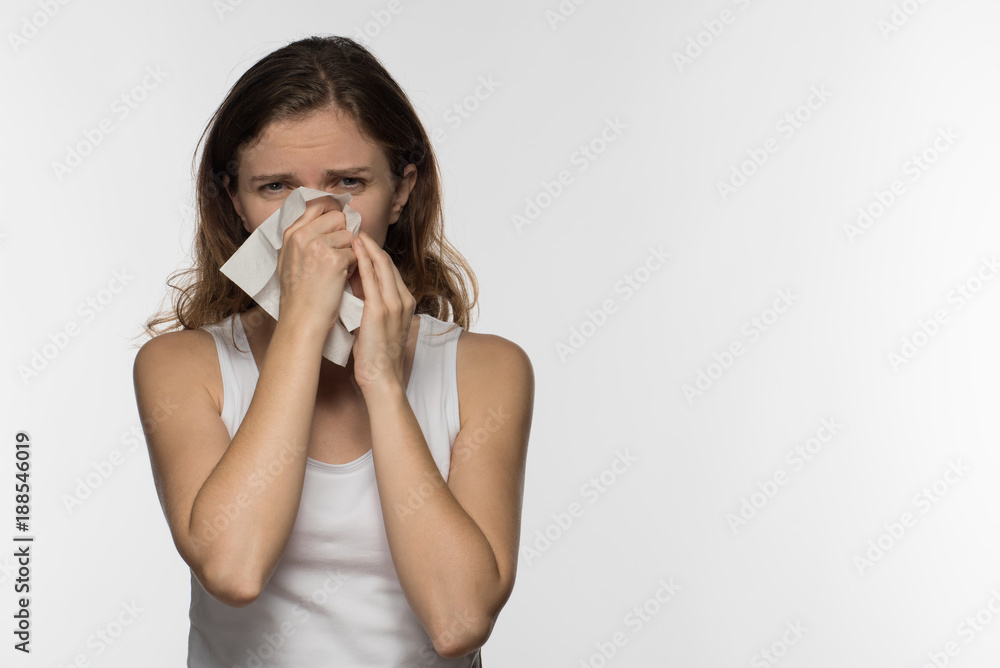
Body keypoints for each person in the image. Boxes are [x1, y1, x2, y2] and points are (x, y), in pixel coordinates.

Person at [132, 35, 533, 667]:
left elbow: (459, 621)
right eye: (275, 187)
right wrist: (301, 325)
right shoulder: (183, 367)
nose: (314, 219)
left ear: (400, 191)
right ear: (235, 201)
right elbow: (234, 569)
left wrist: (382, 381)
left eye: (348, 182)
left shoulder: (486, 370)